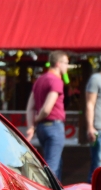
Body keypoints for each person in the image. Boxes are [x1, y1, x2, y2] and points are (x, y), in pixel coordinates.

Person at [25, 51, 70, 180]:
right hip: (53, 126)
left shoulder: (40, 79)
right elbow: (46, 109)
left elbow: (30, 107)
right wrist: (37, 119)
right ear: (58, 63)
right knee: (52, 168)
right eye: (66, 63)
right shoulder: (56, 81)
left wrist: (31, 126)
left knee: (54, 163)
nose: (67, 66)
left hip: (42, 129)